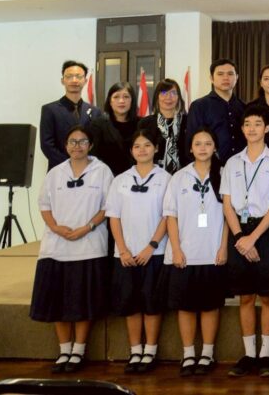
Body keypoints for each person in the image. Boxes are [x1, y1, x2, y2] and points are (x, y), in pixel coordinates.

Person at [30, 125, 112, 374]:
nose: (77, 146)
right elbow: (44, 205)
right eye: (72, 142)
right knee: (58, 302)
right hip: (56, 246)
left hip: (89, 245)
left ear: (90, 145)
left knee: (83, 301)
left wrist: (87, 227)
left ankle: (79, 350)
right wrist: (55, 227)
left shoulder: (102, 171)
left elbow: (108, 207)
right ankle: (64, 349)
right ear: (66, 146)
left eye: (82, 141)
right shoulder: (55, 172)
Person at [221, 105, 269, 378]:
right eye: (247, 124)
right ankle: (249, 354)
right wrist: (240, 237)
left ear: (267, 128)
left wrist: (253, 237)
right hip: (239, 232)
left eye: (257, 123)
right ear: (242, 129)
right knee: (245, 297)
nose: (252, 128)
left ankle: (265, 355)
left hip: (266, 231)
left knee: (267, 296)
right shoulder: (232, 162)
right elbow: (227, 204)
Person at [162, 128, 228, 377]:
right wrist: (176, 249)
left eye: (208, 143)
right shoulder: (179, 177)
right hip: (185, 254)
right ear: (190, 148)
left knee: (210, 306)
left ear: (215, 147)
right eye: (197, 144)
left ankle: (207, 354)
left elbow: (228, 215)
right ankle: (188, 354)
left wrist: (223, 247)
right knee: (186, 307)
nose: (202, 148)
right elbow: (170, 216)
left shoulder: (224, 174)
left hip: (213, 252)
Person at [105, 127, 171, 374]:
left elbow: (168, 216)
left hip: (155, 252)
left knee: (152, 304)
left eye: (147, 145)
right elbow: (113, 217)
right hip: (126, 255)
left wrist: (151, 246)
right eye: (137, 146)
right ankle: (135, 350)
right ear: (131, 151)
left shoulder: (166, 179)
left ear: (156, 148)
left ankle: (150, 351)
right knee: (130, 303)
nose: (142, 150)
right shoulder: (120, 180)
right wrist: (123, 250)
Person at [40, 60, 103, 170]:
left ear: (85, 80)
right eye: (69, 76)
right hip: (59, 170)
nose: (74, 80)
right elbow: (47, 145)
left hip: (89, 170)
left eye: (78, 76)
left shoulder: (95, 112)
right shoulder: (50, 110)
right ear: (62, 80)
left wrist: (85, 164)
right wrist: (70, 165)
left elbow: (97, 144)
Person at [186, 58, 245, 166]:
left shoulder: (244, 107)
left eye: (230, 74)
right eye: (220, 74)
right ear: (211, 78)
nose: (225, 78)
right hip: (211, 168)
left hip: (241, 167)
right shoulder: (199, 106)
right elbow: (191, 140)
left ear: (237, 77)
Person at [138, 78, 189, 174]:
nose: (168, 97)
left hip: (184, 175)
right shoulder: (145, 123)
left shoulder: (188, 121)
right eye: (164, 92)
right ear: (157, 96)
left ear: (178, 97)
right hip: (153, 175)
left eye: (173, 93)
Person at [91, 82, 140, 175]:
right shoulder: (98, 125)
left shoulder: (141, 124)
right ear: (110, 101)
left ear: (132, 100)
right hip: (106, 176)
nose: (121, 101)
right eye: (116, 97)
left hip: (136, 177)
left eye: (126, 97)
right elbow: (93, 157)